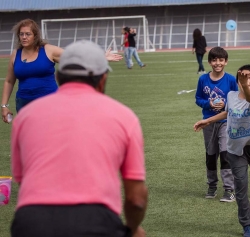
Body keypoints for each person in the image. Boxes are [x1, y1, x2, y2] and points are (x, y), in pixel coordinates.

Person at [10, 40, 148, 237]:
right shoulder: (124, 117)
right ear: (103, 79)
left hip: (30, 221)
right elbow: (136, 199)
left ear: (58, 76)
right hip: (95, 220)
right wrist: (133, 228)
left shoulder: (25, 116)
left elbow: (22, 179)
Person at [194, 65, 250, 237]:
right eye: (243, 77)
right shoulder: (230, 95)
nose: (246, 81)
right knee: (241, 188)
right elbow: (227, 113)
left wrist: (245, 85)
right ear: (237, 81)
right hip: (234, 150)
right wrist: (208, 121)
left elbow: (249, 97)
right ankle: (247, 225)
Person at [1, 18, 122, 123]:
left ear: (35, 35)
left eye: (27, 34)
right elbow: (9, 81)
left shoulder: (48, 50)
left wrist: (101, 56)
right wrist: (4, 106)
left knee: (50, 136)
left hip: (50, 102)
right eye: (21, 34)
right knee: (29, 139)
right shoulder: (15, 55)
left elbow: (75, 57)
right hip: (24, 104)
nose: (24, 37)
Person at [194, 46, 237, 202]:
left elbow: (237, 99)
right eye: (214, 60)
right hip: (208, 123)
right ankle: (212, 186)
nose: (217, 63)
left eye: (221, 60)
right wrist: (209, 104)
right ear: (209, 62)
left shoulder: (231, 80)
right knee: (211, 155)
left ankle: (229, 189)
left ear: (225, 62)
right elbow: (198, 99)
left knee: (225, 154)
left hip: (226, 122)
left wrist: (225, 103)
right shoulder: (203, 79)